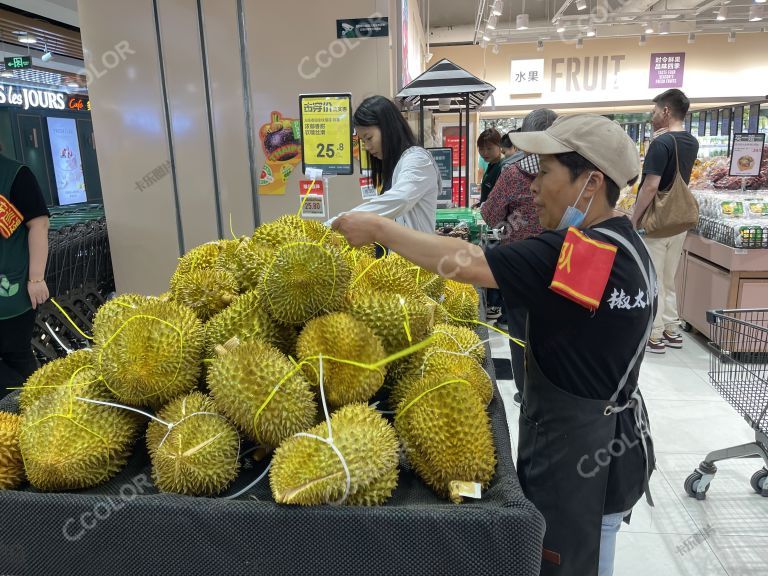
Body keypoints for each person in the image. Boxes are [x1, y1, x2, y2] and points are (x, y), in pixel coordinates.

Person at [334, 114, 656, 576]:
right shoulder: (624, 243)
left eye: (545, 174)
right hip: (606, 442)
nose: (533, 188)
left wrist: (380, 229)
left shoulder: (586, 254)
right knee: (589, 549)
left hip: (581, 460)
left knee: (573, 559)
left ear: (591, 182)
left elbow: (470, 265)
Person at [481, 109, 556, 401]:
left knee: (520, 334)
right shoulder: (571, 170)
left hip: (520, 265)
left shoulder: (514, 173)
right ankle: (551, 391)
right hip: (562, 261)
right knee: (555, 328)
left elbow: (489, 215)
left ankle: (526, 394)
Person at [630, 89, 699, 354]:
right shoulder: (691, 142)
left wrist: (634, 219)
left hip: (657, 222)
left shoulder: (661, 143)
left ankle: (655, 335)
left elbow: (651, 186)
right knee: (669, 278)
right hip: (679, 220)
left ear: (667, 111)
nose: (652, 115)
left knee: (654, 278)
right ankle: (672, 329)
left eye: (655, 110)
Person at [342, 95, 440, 235]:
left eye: (369, 138)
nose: (368, 147)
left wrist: (345, 219)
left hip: (415, 256)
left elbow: (401, 198)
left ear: (388, 127)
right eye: (364, 142)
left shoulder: (417, 160)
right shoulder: (395, 166)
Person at [0, 152, 50, 399]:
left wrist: (36, 278)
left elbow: (39, 224)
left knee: (15, 353)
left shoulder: (16, 175)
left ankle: (36, 409)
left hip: (11, 288)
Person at [477, 128, 504, 205]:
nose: (485, 152)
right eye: (481, 149)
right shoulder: (491, 164)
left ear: (500, 146)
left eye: (489, 148)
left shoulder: (503, 167)